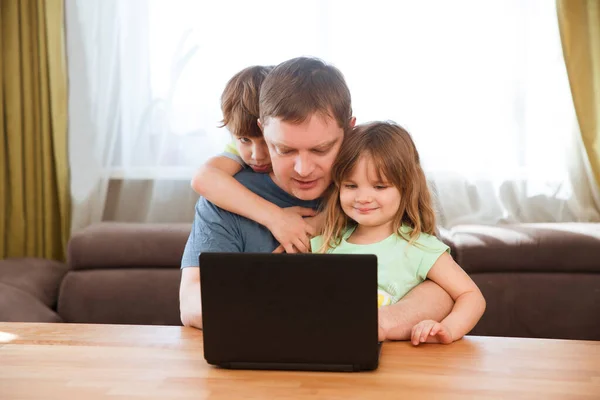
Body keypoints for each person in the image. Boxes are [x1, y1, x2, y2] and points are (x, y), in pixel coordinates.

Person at [179, 57, 454, 337]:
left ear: (349, 130)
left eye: (321, 150)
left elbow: (444, 286)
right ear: (263, 129)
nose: (303, 170)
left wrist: (374, 323)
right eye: (284, 150)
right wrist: (295, 310)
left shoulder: (378, 192)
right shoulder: (227, 197)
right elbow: (191, 302)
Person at [311, 121, 486, 345]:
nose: (362, 198)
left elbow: (471, 296)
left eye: (379, 187)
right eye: (351, 186)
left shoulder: (419, 246)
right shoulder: (326, 243)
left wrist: (447, 329)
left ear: (406, 188)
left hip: (401, 364)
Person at [190, 65, 317, 254]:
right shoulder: (235, 152)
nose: (257, 155)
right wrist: (275, 218)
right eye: (244, 140)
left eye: (266, 141)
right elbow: (203, 178)